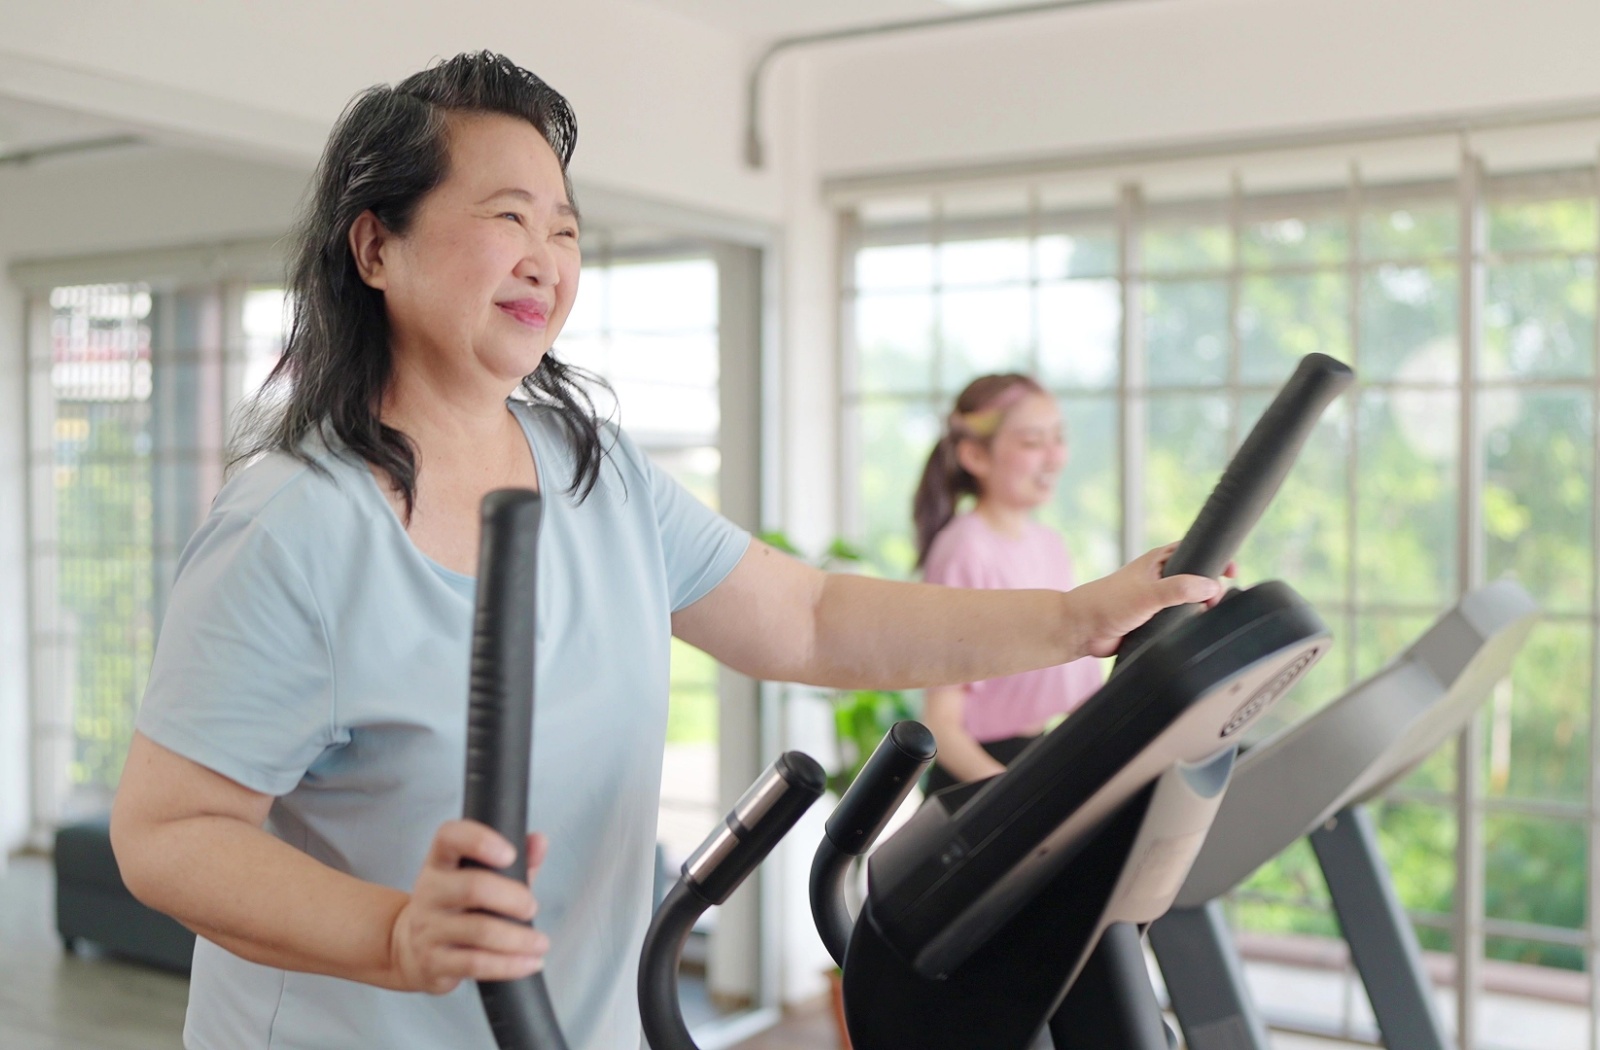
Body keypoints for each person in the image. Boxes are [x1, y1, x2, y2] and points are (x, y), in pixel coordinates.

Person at [109, 52, 1222, 1050]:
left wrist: (1076, 617)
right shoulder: (293, 526)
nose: (545, 255)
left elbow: (811, 616)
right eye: (507, 216)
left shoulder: (595, 468)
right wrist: (397, 932)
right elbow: (168, 835)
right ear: (375, 245)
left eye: (564, 227)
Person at [914, 375, 1103, 793]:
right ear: (975, 456)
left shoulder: (1050, 544)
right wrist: (1010, 799)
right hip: (976, 780)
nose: (1055, 457)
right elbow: (942, 726)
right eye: (1034, 442)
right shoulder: (963, 551)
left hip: (1034, 758)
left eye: (1059, 438)